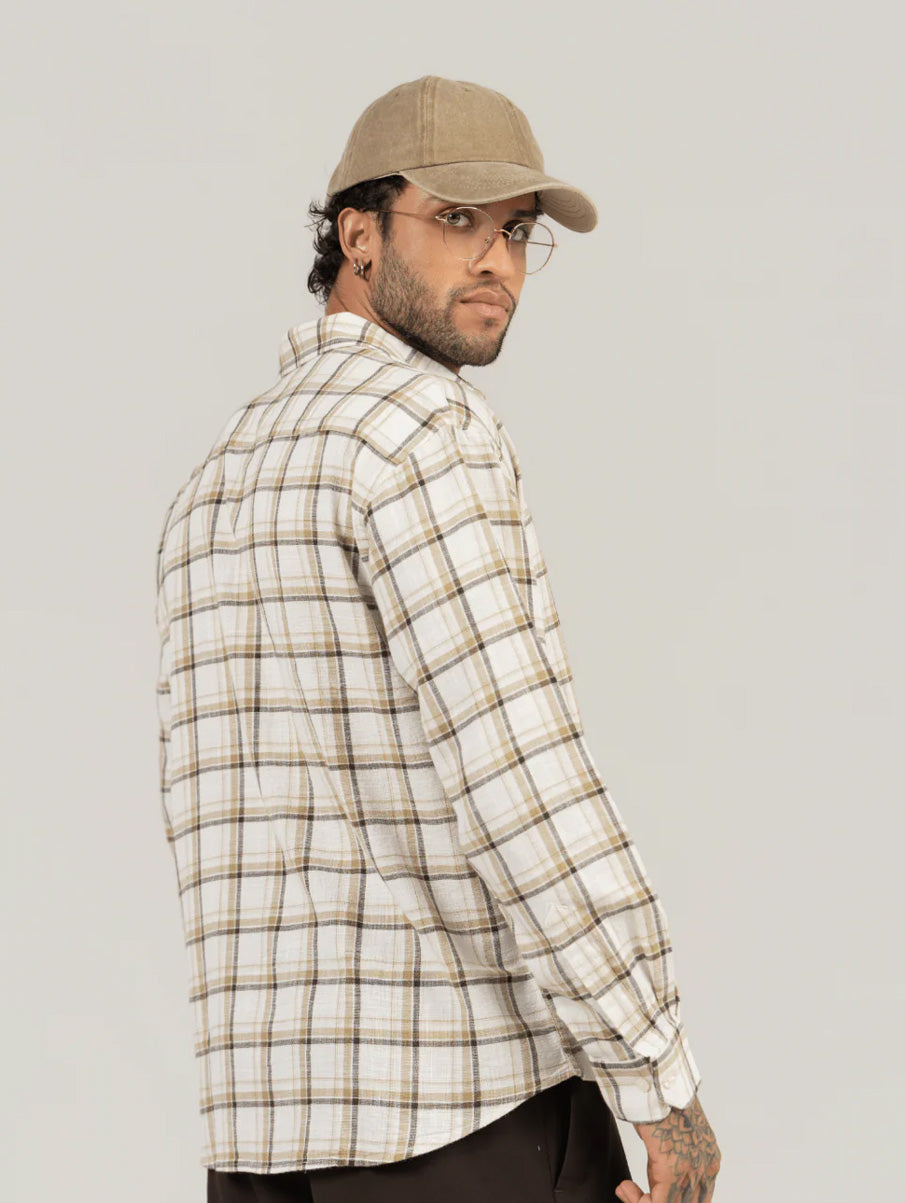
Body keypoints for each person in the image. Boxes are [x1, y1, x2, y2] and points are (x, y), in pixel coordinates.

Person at [155, 75, 721, 1203]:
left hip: (262, 1136)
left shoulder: (215, 482)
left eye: (515, 230)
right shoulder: (424, 433)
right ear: (357, 236)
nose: (496, 262)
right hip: (463, 1116)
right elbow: (521, 783)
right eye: (456, 219)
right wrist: (656, 1073)